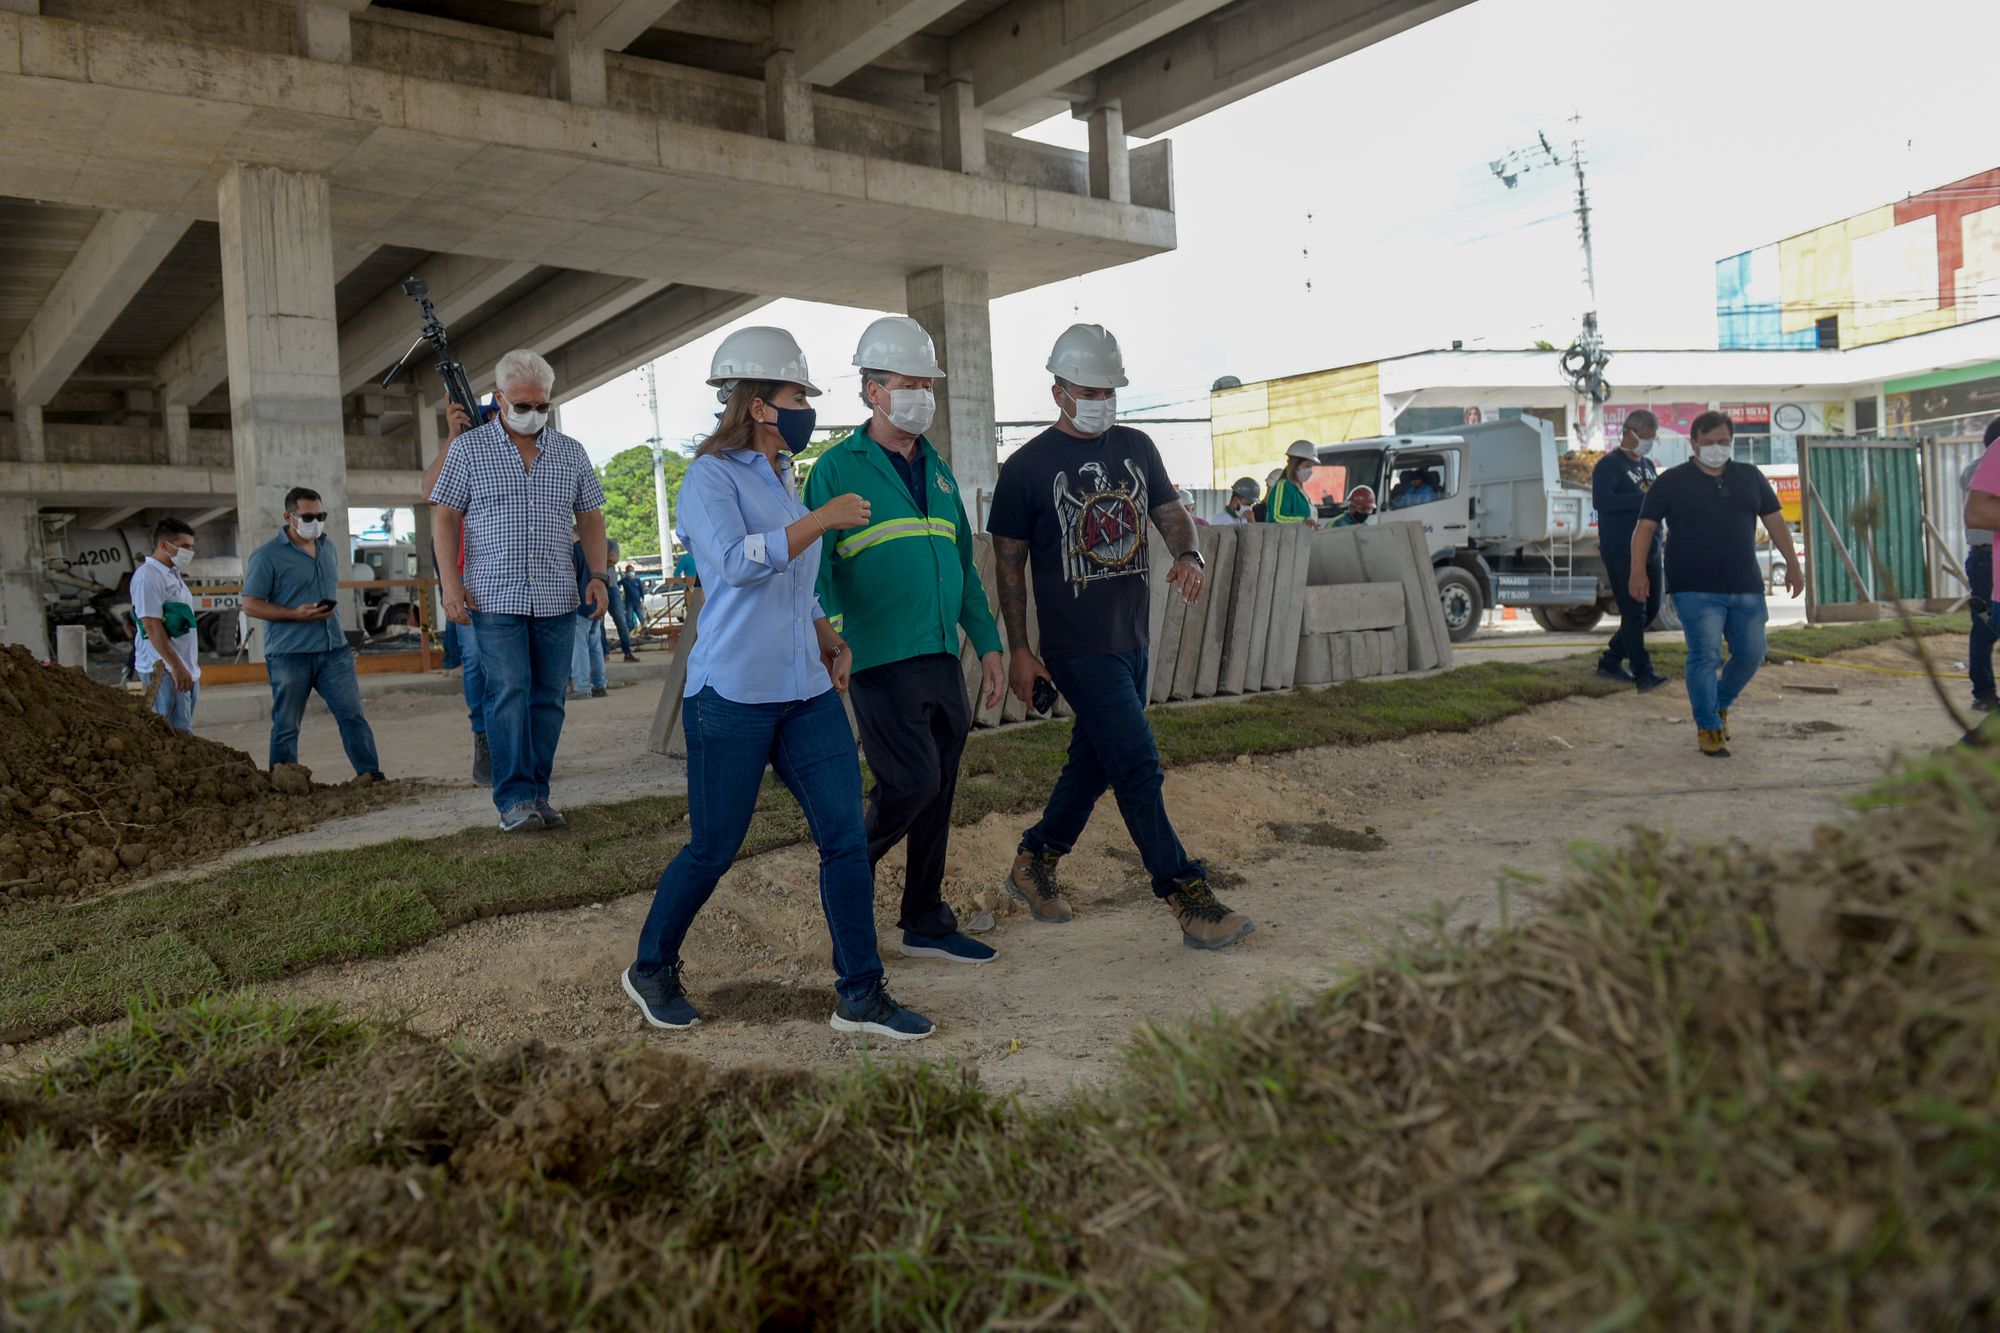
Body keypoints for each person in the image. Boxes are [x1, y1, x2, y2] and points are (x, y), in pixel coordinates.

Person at [623, 326, 934, 1040]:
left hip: (804, 691)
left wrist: (826, 632)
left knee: (844, 837)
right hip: (731, 695)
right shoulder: (710, 477)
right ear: (759, 403)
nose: (806, 407)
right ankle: (651, 966)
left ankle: (860, 992)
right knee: (714, 845)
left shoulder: (782, 474)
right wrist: (822, 520)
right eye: (798, 395)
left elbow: (794, 581)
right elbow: (733, 564)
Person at [988, 323, 1254, 950]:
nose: (1101, 400)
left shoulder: (1136, 446)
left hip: (1133, 639)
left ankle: (1035, 862)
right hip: (1077, 648)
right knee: (1136, 763)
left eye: (1109, 389)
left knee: (1094, 762)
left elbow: (1171, 516)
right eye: (1089, 389)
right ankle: (1187, 897)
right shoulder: (1026, 469)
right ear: (1058, 392)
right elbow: (1008, 569)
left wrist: (1190, 557)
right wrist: (1022, 650)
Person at [804, 315, 1006, 968]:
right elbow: (815, 571)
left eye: (928, 383)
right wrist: (828, 639)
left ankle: (924, 915)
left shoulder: (940, 472)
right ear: (872, 390)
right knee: (912, 779)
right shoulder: (836, 470)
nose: (922, 393)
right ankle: (844, 880)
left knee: (939, 786)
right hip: (878, 656)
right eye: (908, 382)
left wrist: (991, 644)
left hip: (940, 654)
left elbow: (962, 566)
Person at [430, 349, 609, 831]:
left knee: (549, 697)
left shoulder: (570, 452)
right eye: (523, 404)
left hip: (556, 595)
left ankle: (538, 793)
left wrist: (597, 574)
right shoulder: (470, 450)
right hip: (493, 597)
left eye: (542, 405)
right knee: (508, 691)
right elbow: (444, 515)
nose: (533, 414)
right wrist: (451, 583)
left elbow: (591, 516)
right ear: (499, 398)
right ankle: (513, 800)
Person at [1631, 411, 1802, 757]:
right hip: (1694, 588)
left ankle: (1719, 704)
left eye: (1723, 442)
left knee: (1753, 652)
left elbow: (1776, 522)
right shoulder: (1671, 482)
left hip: (1746, 585)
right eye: (1708, 443)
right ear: (1693, 442)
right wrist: (1638, 572)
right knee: (1705, 655)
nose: (1715, 448)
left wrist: (1794, 565)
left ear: (1732, 442)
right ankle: (1708, 727)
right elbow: (1644, 528)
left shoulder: (1750, 477)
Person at [241, 487, 384, 780]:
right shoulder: (267, 556)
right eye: (308, 516)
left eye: (320, 515)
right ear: (288, 516)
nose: (316, 521)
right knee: (286, 725)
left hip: (334, 651)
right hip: (290, 654)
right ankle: (284, 784)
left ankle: (371, 778)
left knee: (353, 717)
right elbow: (250, 605)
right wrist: (295, 614)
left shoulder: (328, 547)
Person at [427, 399, 493, 786]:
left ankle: (521, 745)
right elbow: (429, 490)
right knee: (475, 663)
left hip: (513, 575)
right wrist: (452, 438)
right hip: (471, 581)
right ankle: (483, 738)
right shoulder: (461, 457)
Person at [1592, 409, 1669, 692]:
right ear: (1628, 433)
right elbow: (1603, 502)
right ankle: (1643, 672)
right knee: (1633, 611)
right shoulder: (1609, 465)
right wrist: (1643, 500)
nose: (1648, 442)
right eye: (1645, 436)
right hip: (1621, 548)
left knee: (1650, 609)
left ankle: (1611, 659)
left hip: (1651, 546)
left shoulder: (1647, 465)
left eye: (1652, 437)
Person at [130, 517, 200, 733]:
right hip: (166, 669)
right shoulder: (148, 577)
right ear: (162, 545)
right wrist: (176, 667)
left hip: (184, 667)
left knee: (182, 729)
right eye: (183, 546)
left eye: (191, 546)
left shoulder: (172, 574)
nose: (189, 552)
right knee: (174, 734)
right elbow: (151, 625)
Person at [1959, 417, 1999, 712]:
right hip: (1985, 556)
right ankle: (1983, 691)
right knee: (1985, 628)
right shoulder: (1979, 468)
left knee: (1985, 626)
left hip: (1984, 555)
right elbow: (1977, 511)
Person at [569, 527, 608, 698]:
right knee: (595, 646)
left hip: (579, 604)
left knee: (579, 648)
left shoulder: (574, 551)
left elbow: (570, 577)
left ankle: (582, 686)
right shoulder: (595, 555)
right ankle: (599, 684)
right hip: (594, 605)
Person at [1261, 440, 1322, 528]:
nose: (1310, 471)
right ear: (1295, 465)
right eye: (1307, 466)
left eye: (1311, 467)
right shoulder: (1284, 486)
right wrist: (1303, 521)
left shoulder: (1299, 490)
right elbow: (1276, 517)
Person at [603, 539, 639, 662]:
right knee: (598, 623)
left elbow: (613, 559)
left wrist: (594, 560)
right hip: (598, 585)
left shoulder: (611, 543)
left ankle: (627, 651)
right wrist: (604, 560)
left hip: (612, 587)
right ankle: (604, 652)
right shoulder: (589, 543)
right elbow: (609, 560)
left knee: (621, 620)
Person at [620, 564, 647, 635]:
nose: (630, 572)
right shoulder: (624, 580)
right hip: (629, 603)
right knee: (629, 618)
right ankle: (631, 632)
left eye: (631, 571)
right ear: (626, 572)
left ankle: (645, 631)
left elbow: (641, 590)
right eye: (629, 571)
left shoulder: (637, 580)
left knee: (641, 616)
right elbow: (616, 585)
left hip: (637, 602)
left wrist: (642, 600)